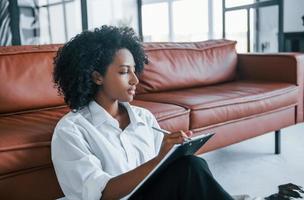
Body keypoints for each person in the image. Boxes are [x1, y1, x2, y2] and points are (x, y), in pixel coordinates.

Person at [51, 25, 234, 200]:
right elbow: (101, 193)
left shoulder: (143, 118)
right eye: (124, 72)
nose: (135, 80)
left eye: (134, 70)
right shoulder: (71, 130)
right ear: (97, 77)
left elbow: (162, 174)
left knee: (190, 164)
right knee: (189, 169)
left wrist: (174, 155)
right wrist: (160, 159)